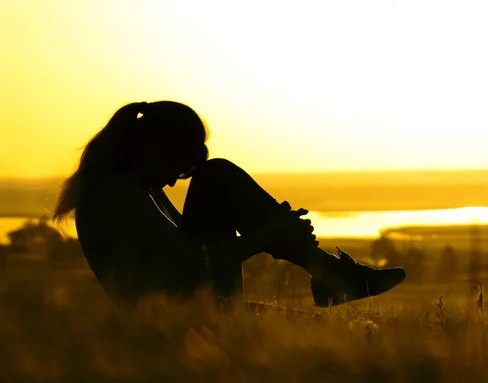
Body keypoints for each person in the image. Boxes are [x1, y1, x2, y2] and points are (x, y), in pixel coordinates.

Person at [52, 101, 406, 309]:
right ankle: (329, 273)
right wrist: (271, 232)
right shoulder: (115, 194)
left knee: (216, 175)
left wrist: (274, 230)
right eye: (176, 168)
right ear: (154, 148)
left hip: (186, 308)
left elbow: (193, 258)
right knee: (217, 175)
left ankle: (328, 272)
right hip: (170, 321)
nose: (175, 181)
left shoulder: (134, 188)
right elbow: (194, 264)